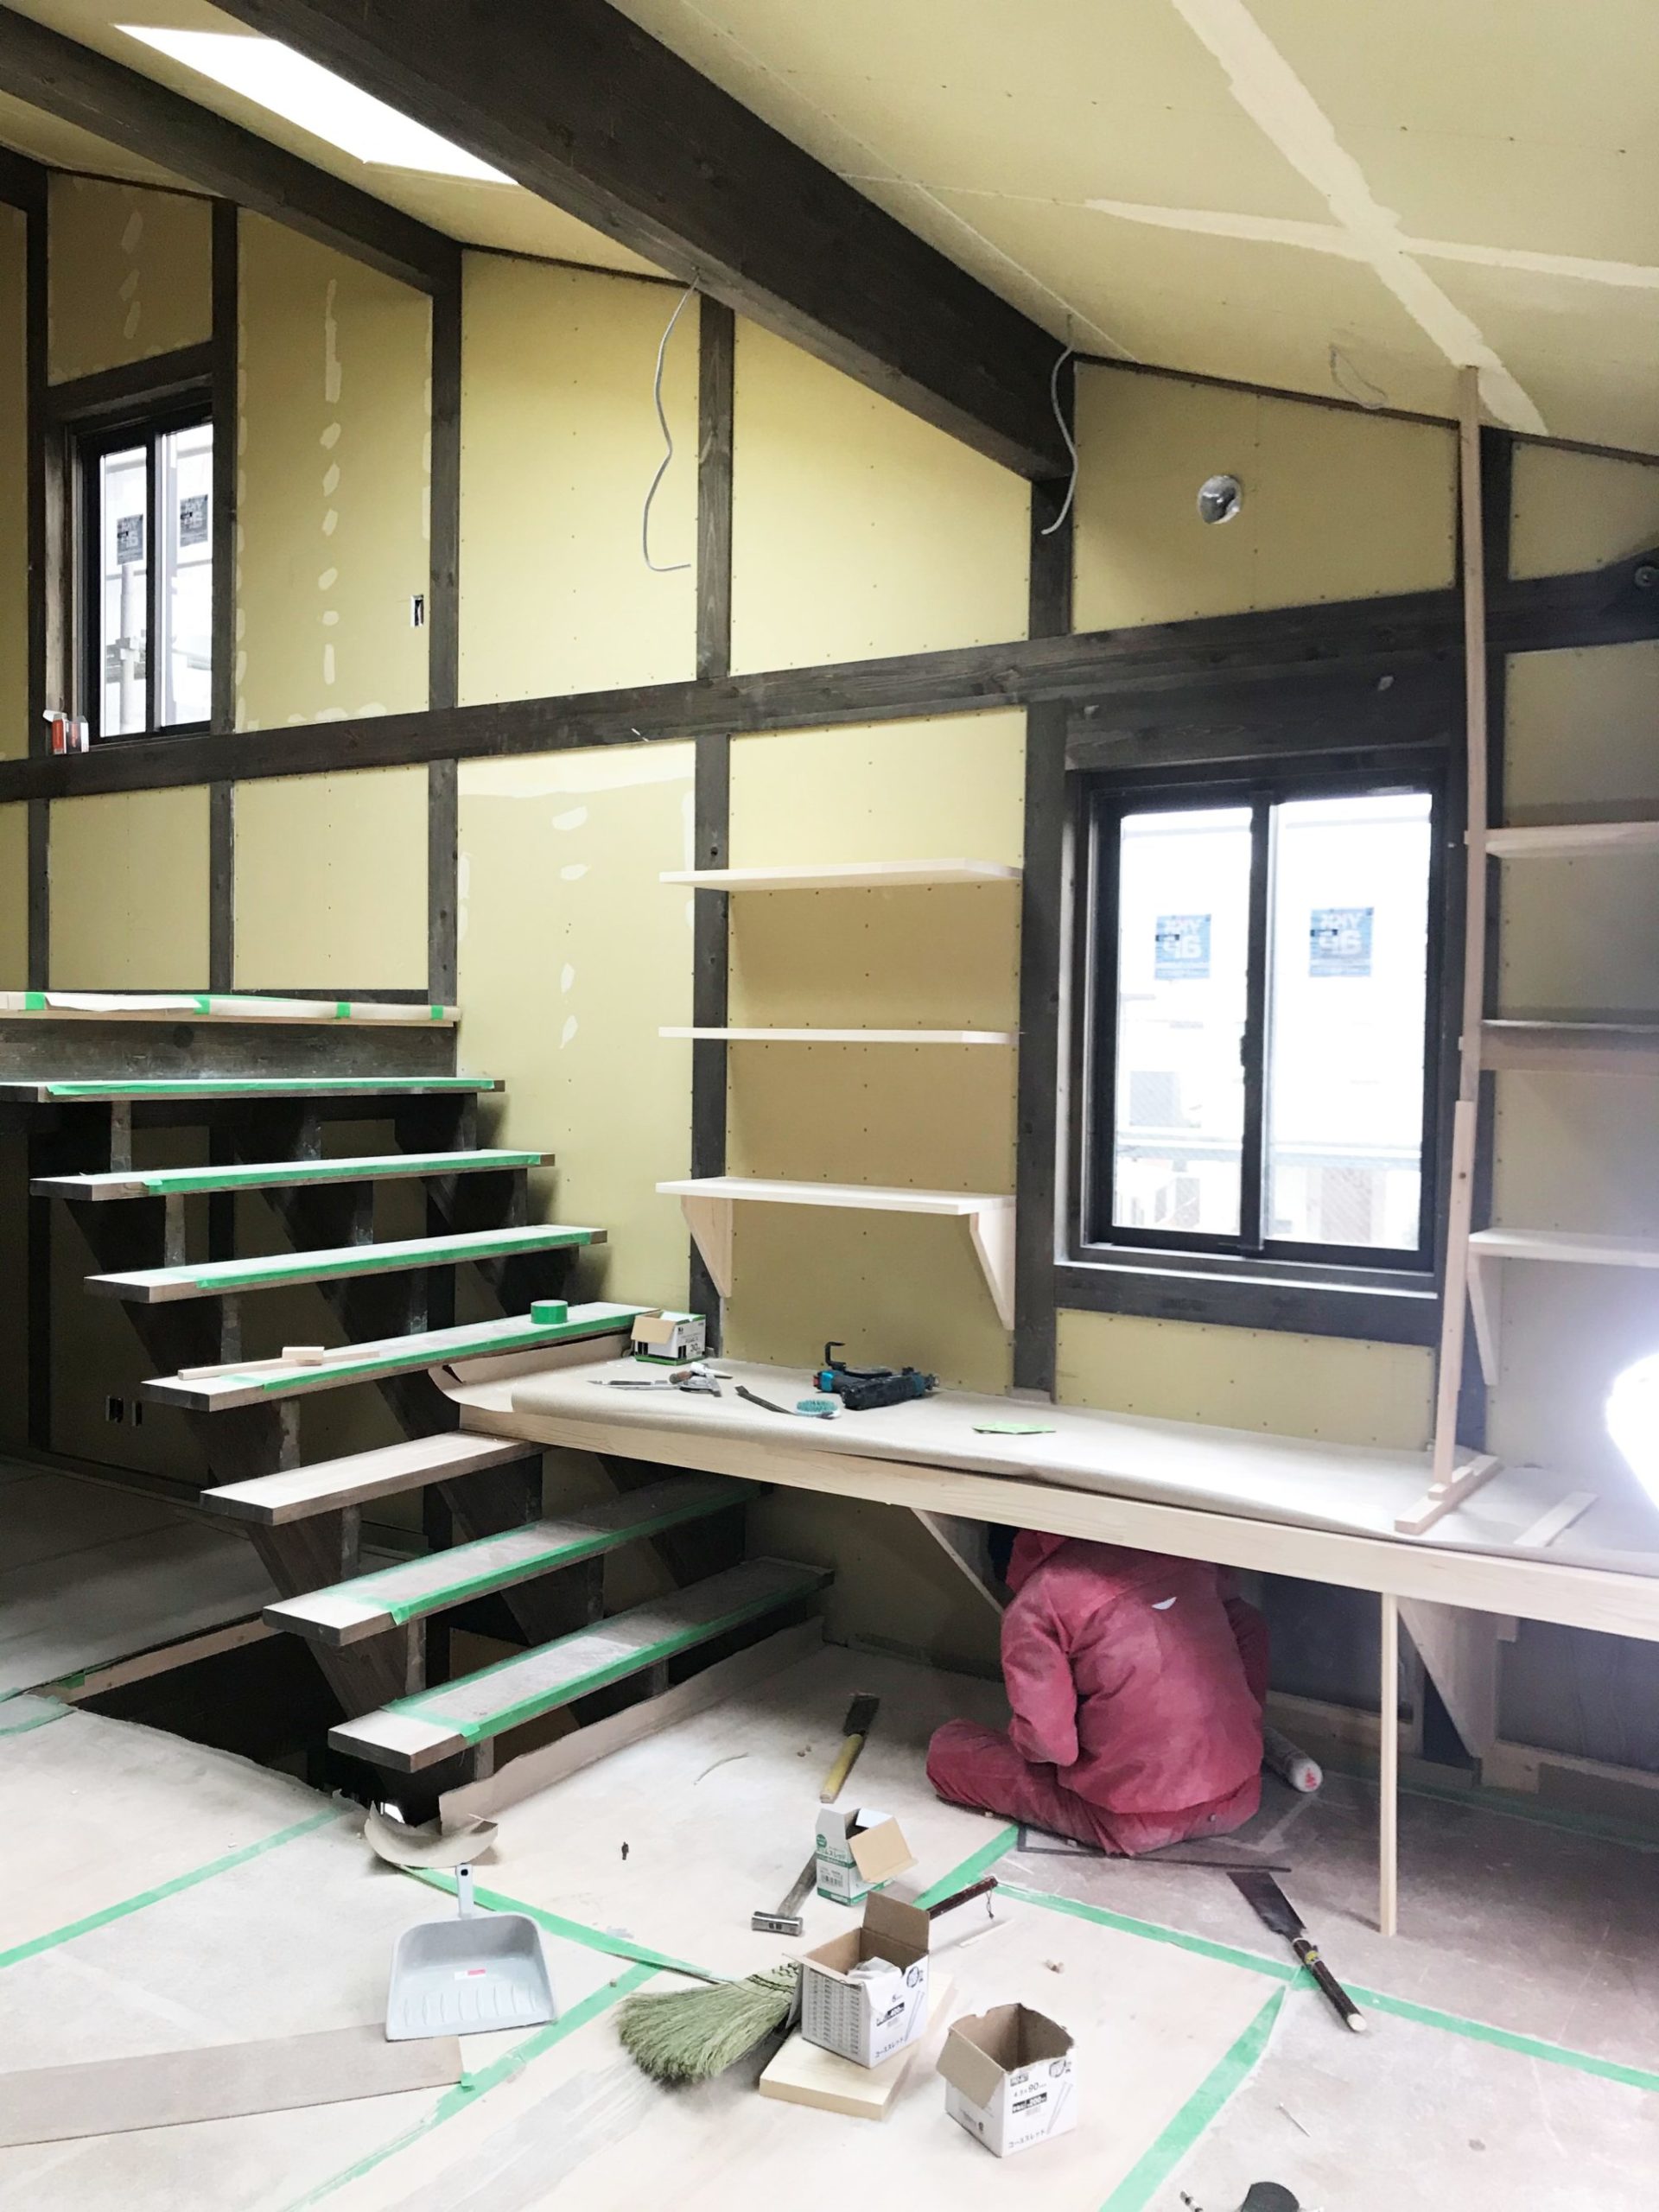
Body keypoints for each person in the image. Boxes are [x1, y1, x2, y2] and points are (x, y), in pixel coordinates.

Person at [926, 1531, 1274, 1855]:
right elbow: (1250, 1626)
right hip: (1239, 1797)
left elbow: (1048, 1747)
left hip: (1128, 1820)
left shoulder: (1040, 1599)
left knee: (948, 1752)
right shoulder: (1182, 1551)